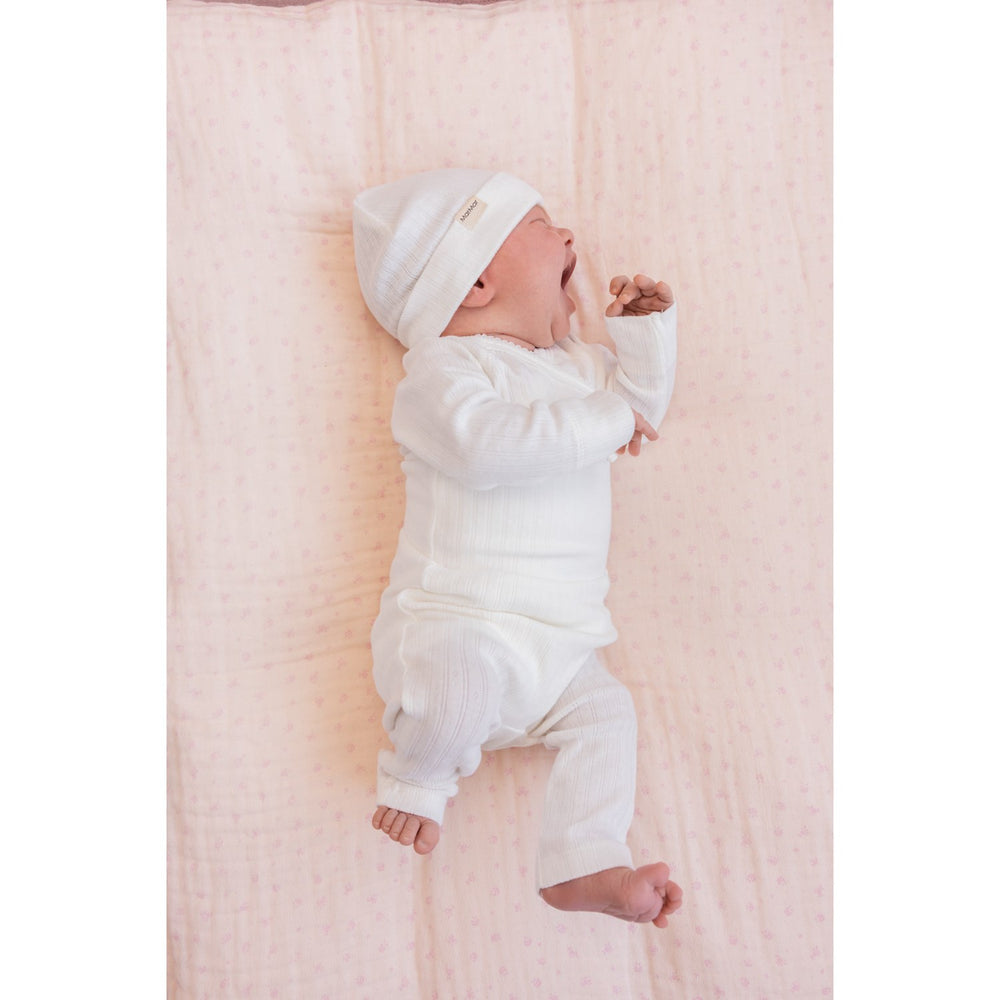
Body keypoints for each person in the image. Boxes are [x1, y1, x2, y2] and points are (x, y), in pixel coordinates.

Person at [352, 169, 683, 927]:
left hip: (563, 646)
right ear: (475, 283)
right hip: (459, 621)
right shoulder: (444, 371)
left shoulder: (579, 370)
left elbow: (637, 412)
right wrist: (606, 420)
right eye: (541, 224)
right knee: (454, 693)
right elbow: (486, 449)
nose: (569, 235)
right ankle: (417, 778)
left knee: (608, 717)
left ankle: (584, 858)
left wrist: (643, 337)